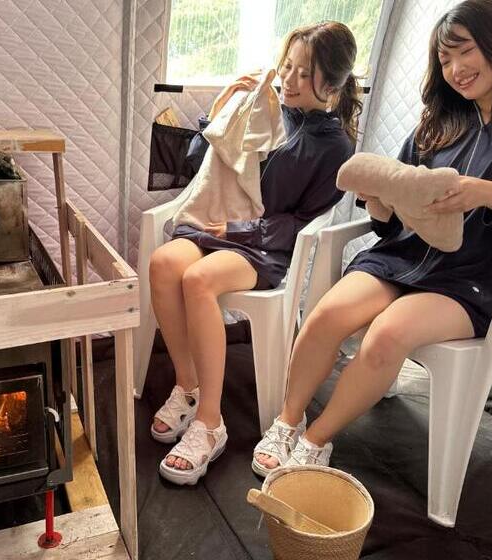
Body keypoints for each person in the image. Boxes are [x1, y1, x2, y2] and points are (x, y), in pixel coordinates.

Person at [253, 0, 492, 476]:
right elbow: (393, 219)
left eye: (465, 52)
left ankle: (315, 440)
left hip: (471, 279)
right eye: (445, 60)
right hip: (399, 259)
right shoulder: (438, 123)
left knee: (387, 334)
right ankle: (288, 422)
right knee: (325, 314)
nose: (455, 69)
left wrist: (488, 194)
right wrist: (380, 206)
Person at [149, 22, 360, 485]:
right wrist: (221, 109)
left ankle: (210, 423)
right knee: (163, 263)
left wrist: (238, 228)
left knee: (198, 279)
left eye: (304, 73)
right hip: (217, 229)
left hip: (265, 247)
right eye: (287, 66)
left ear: (331, 84)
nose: (288, 79)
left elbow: (304, 223)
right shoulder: (265, 107)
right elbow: (199, 163)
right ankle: (187, 386)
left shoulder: (336, 148)